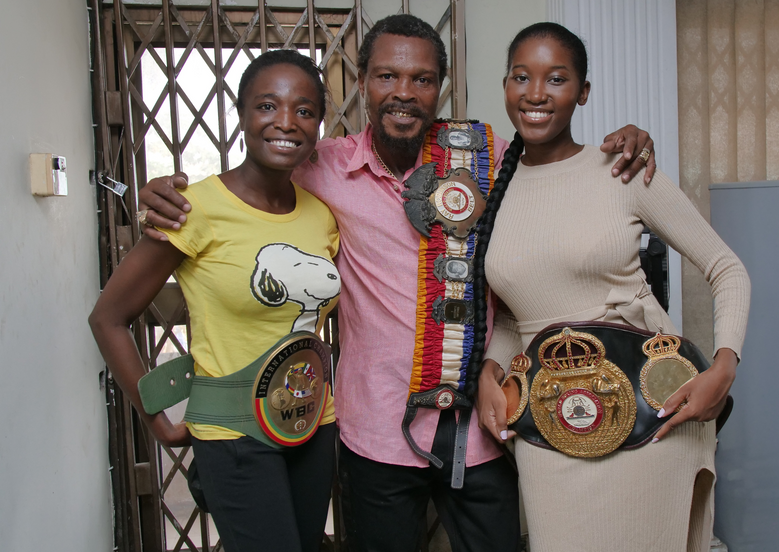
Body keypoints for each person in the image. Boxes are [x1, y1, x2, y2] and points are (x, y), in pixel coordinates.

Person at [136, 14, 658, 552]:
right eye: (387, 76)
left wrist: (621, 146)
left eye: (422, 80)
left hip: (482, 429)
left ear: (441, 87)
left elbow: (559, 168)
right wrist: (165, 196)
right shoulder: (321, 167)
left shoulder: (487, 158)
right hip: (375, 433)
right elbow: (250, 185)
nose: (403, 93)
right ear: (362, 82)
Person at [473, 23, 751, 552]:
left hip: (652, 410)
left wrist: (724, 367)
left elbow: (726, 267)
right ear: (505, 85)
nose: (535, 93)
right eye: (521, 77)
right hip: (548, 419)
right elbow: (515, 314)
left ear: (583, 92)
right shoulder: (497, 189)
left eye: (556, 79)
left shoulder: (623, 171)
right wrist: (490, 370)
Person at [89, 50, 341, 552]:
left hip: (313, 426)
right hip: (232, 434)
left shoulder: (321, 214)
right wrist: (155, 419)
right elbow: (109, 319)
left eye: (305, 111)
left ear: (319, 125)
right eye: (267, 106)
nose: (286, 123)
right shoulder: (194, 207)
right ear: (242, 114)